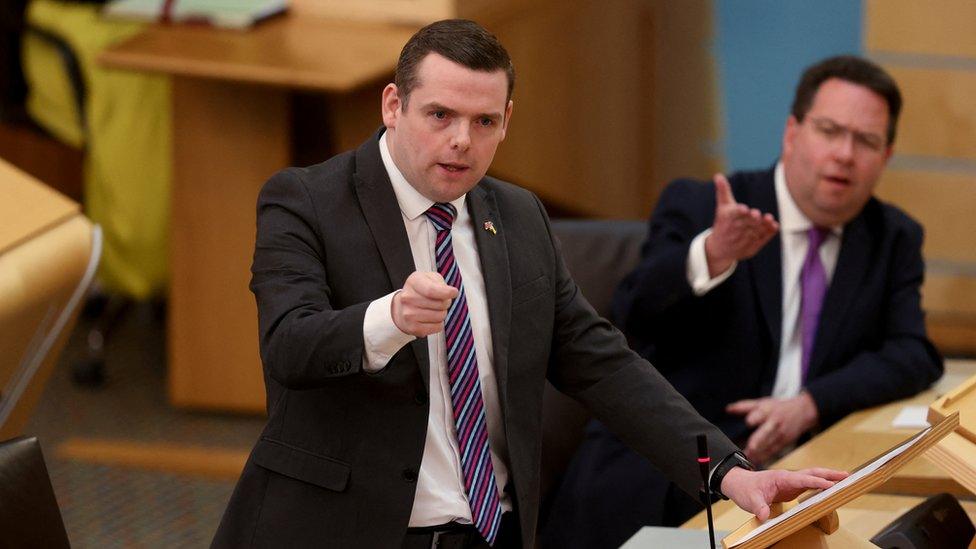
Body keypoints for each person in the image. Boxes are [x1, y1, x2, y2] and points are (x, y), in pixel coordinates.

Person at [212, 20, 846, 549]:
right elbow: (288, 347)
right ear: (392, 105)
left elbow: (602, 364)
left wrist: (731, 474)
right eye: (440, 115)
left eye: (484, 122)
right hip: (345, 533)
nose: (462, 141)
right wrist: (391, 318)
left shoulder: (515, 216)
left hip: (492, 532)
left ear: (507, 120)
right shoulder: (306, 200)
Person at [544, 55, 943, 548]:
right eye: (830, 131)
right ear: (792, 133)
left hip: (794, 478)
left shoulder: (891, 237)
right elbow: (631, 314)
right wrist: (713, 254)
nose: (845, 153)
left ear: (886, 156)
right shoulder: (705, 204)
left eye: (866, 141)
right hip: (667, 480)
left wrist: (811, 404)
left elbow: (914, 353)